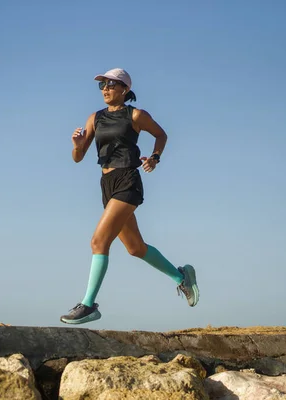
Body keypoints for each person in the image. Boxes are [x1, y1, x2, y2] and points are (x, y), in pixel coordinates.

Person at [60, 68, 200, 325]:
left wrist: (155, 158)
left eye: (111, 85)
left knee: (98, 241)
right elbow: (78, 158)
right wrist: (77, 146)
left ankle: (88, 305)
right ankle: (182, 277)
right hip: (107, 183)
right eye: (102, 85)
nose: (105, 89)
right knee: (135, 248)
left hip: (128, 181)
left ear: (124, 89)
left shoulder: (136, 115)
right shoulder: (95, 118)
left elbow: (161, 134)